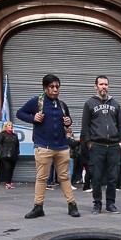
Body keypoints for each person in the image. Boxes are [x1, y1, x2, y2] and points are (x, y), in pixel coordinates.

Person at [16, 73, 80, 218]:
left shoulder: (62, 105)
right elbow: (20, 113)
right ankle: (38, 207)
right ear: (45, 88)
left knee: (64, 177)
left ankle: (72, 205)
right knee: (42, 178)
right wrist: (33, 118)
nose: (55, 90)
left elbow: (67, 121)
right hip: (43, 146)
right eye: (52, 87)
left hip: (62, 147)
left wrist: (68, 122)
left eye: (57, 87)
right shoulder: (37, 102)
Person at [80, 75, 121, 214]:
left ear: (108, 86)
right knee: (96, 177)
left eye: (106, 84)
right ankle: (97, 204)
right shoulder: (89, 103)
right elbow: (85, 126)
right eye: (101, 84)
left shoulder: (115, 104)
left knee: (112, 178)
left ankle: (110, 204)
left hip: (113, 146)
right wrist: (88, 143)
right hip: (97, 146)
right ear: (96, 86)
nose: (103, 87)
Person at [0, 121, 20, 189]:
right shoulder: (2, 134)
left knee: (12, 169)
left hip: (13, 154)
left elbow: (17, 144)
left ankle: (9, 182)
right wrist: (2, 150)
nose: (11, 126)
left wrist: (17, 152)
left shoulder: (14, 135)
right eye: (9, 125)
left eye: (11, 125)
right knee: (8, 168)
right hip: (5, 154)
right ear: (6, 126)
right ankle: (7, 183)